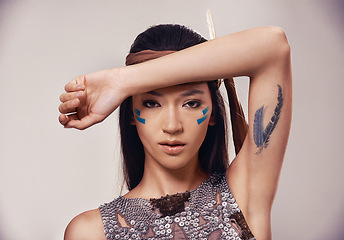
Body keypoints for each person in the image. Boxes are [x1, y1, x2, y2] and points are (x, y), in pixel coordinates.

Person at [59, 24, 292, 240]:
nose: (172, 126)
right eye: (151, 103)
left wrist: (123, 81)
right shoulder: (91, 232)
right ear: (131, 112)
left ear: (212, 112)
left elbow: (273, 47)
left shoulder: (244, 196)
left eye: (191, 103)